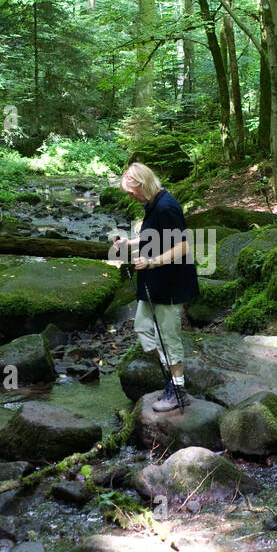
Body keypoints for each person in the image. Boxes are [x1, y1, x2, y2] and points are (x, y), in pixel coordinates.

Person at [119, 163, 200, 412]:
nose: (130, 196)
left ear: (142, 186)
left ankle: (178, 391)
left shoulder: (166, 207)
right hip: (153, 284)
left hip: (170, 285)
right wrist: (130, 242)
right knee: (143, 327)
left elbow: (184, 247)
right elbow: (155, 235)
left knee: (168, 337)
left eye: (131, 192)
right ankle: (170, 378)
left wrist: (151, 262)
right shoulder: (152, 203)